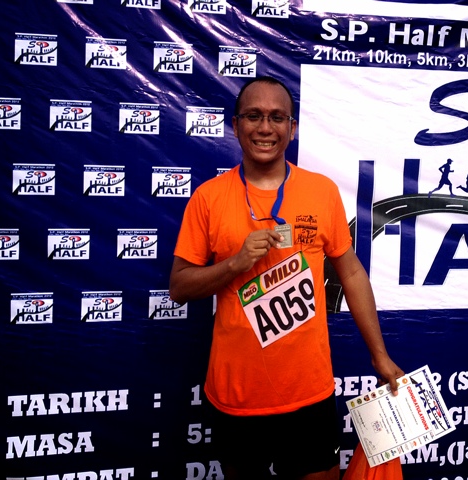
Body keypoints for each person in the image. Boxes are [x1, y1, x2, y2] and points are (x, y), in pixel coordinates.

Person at [169, 76, 403, 480]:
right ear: (236, 125)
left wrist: (379, 354)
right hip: (237, 395)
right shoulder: (208, 197)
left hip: (308, 392)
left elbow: (351, 272)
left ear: (292, 129)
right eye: (254, 116)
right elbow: (178, 287)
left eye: (277, 117)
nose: (265, 128)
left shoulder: (321, 191)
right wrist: (235, 263)